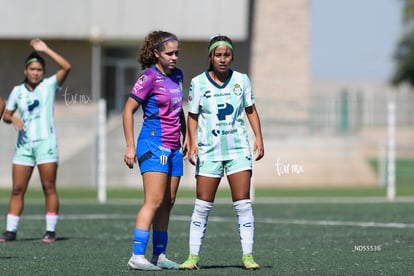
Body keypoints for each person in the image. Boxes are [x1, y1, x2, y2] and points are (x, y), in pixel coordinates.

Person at [179, 35, 264, 270]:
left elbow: (251, 109)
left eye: (226, 55)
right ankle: (193, 257)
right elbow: (193, 115)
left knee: (243, 204)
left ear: (232, 57)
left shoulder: (242, 80)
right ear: (210, 57)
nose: (222, 59)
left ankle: (248, 256)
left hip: (238, 150)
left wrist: (259, 137)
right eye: (218, 55)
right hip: (209, 151)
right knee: (202, 205)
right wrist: (192, 141)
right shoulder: (199, 83)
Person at [122, 30, 186, 271]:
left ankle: (160, 255)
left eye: (177, 52)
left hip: (174, 146)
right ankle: (137, 256)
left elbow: (179, 110)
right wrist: (129, 146)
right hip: (153, 144)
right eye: (169, 53)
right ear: (157, 53)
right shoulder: (147, 77)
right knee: (154, 200)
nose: (174, 57)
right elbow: (128, 110)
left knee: (168, 201)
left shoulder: (178, 75)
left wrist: (187, 138)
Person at [0, 39, 71, 243]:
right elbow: (6, 115)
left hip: (45, 143)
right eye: (32, 69)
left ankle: (50, 231)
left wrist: (45, 49)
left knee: (48, 186)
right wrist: (12, 117)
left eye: (40, 69)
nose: (36, 72)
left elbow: (66, 66)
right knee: (17, 189)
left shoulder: (49, 86)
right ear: (25, 71)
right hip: (23, 146)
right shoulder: (17, 91)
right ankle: (11, 231)